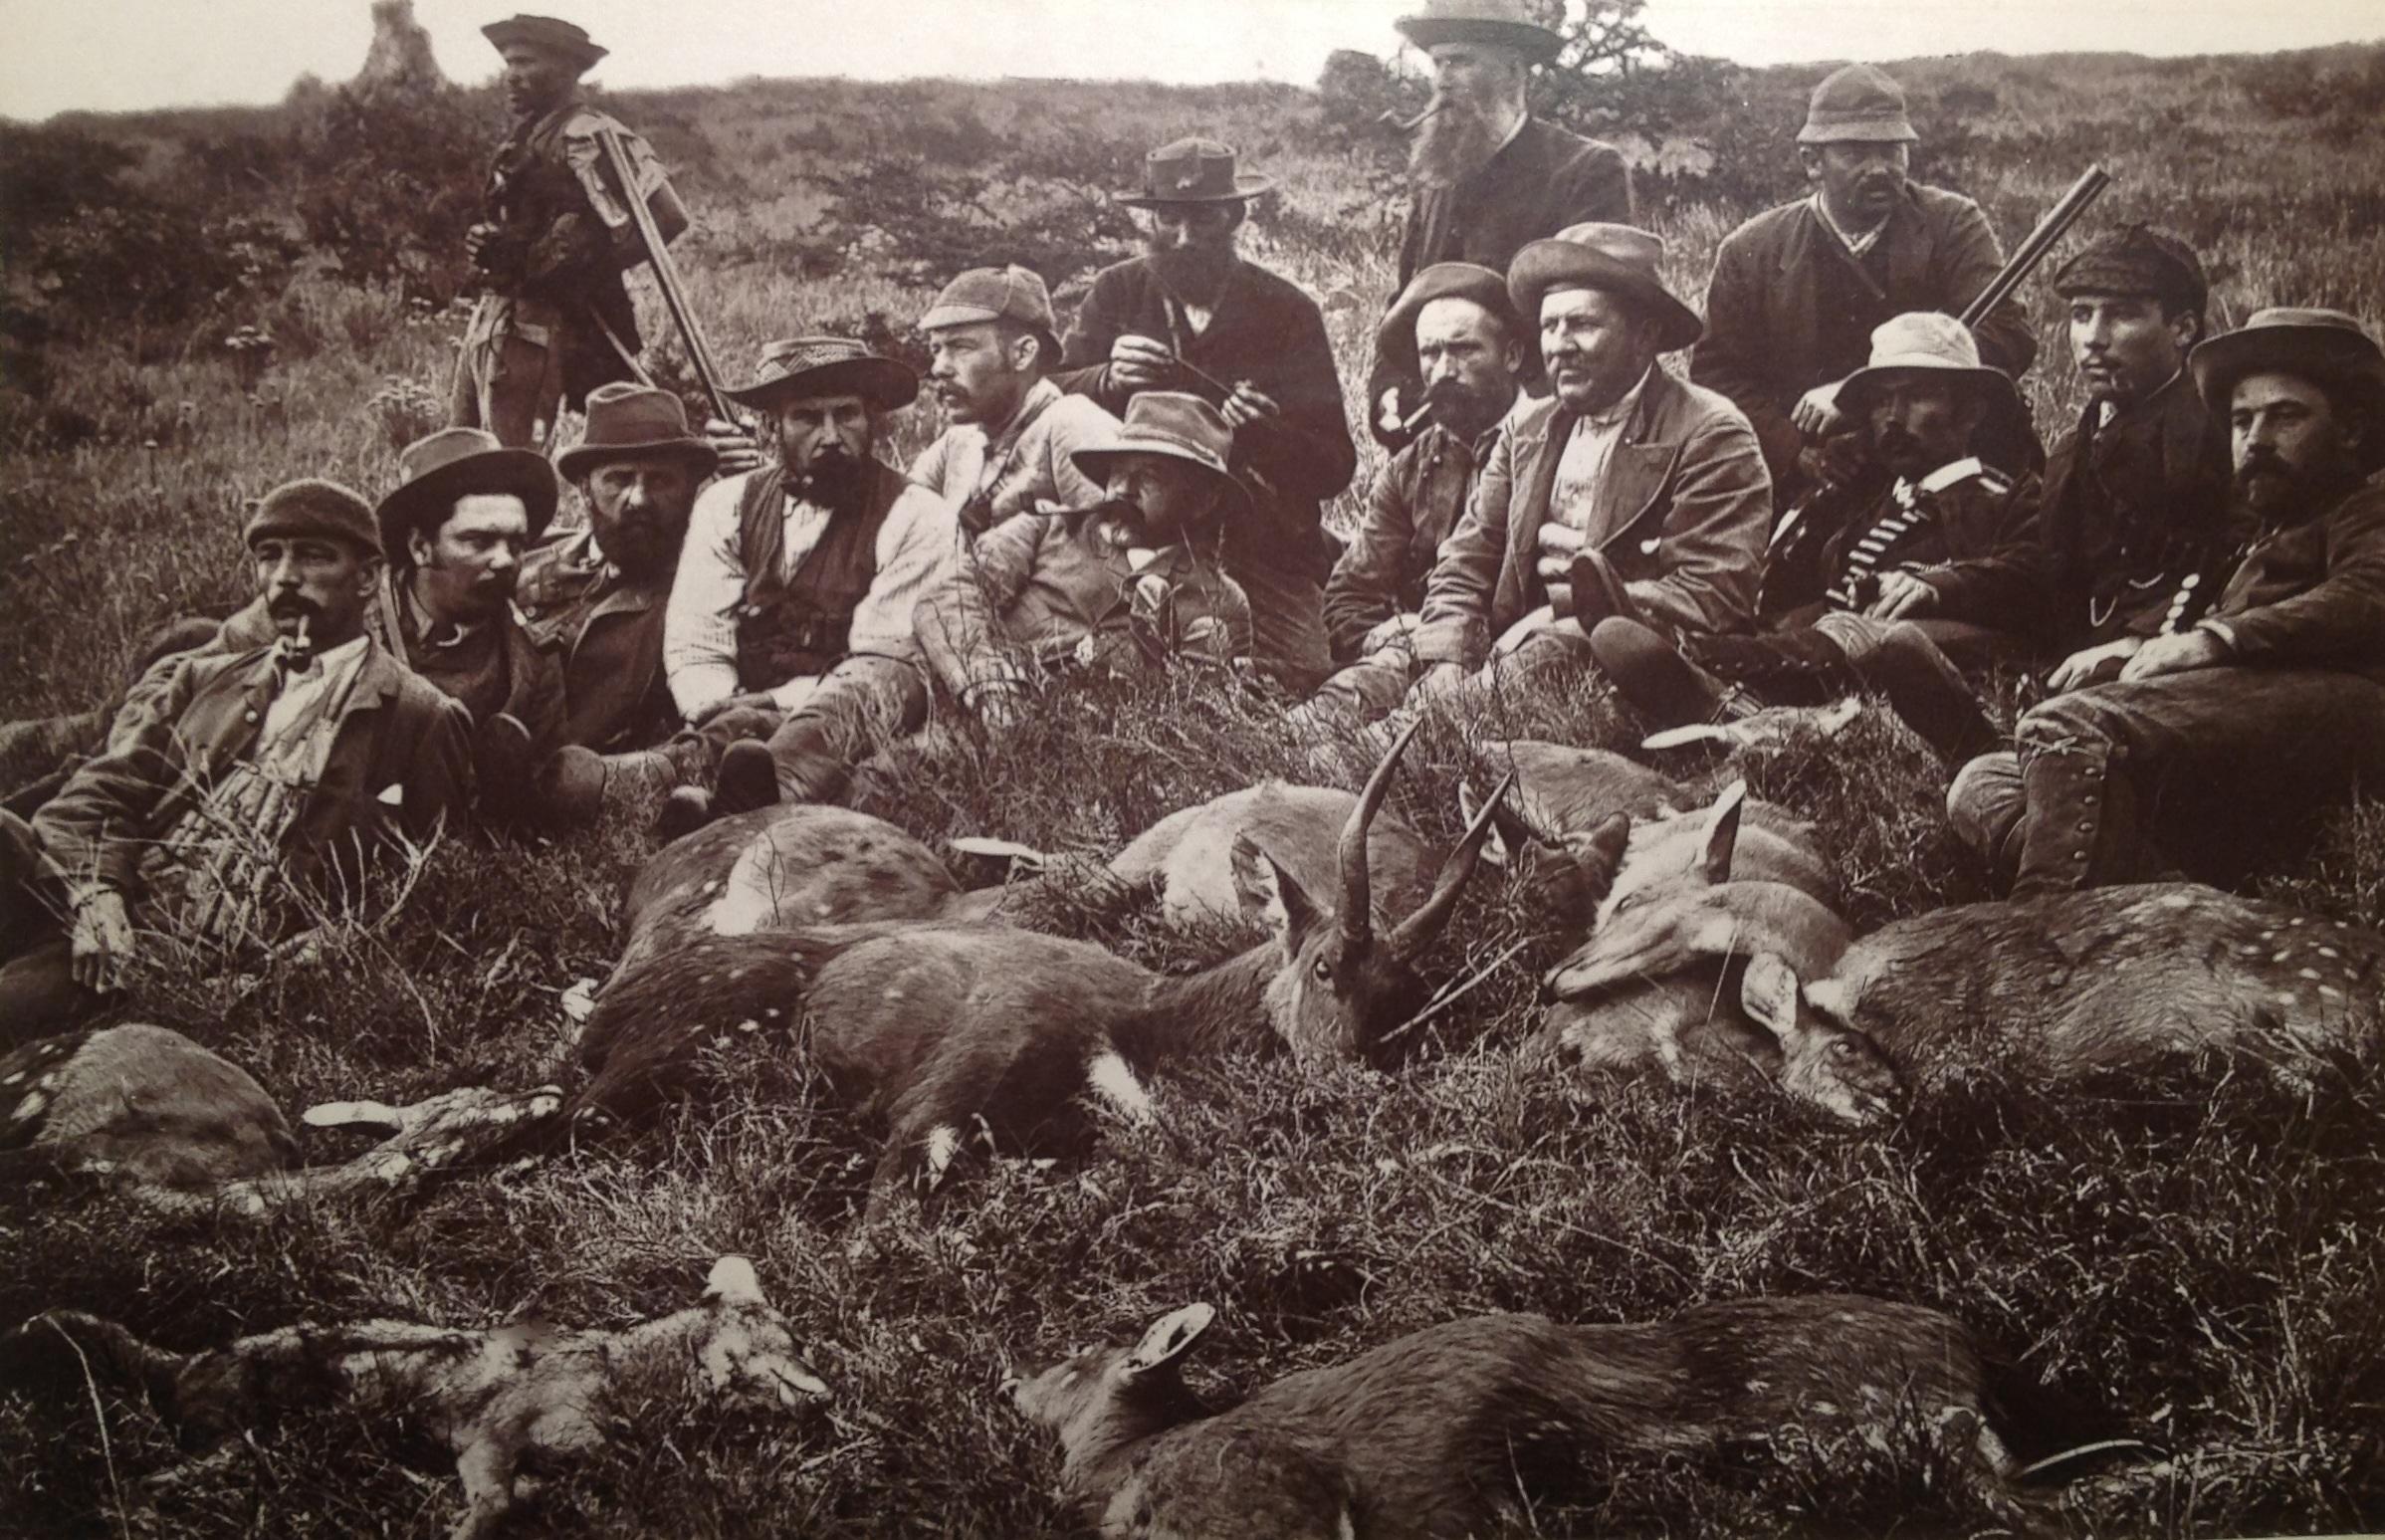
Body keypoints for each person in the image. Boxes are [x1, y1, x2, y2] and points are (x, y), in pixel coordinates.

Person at [0, 481, 470, 1037]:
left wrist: (317, 950)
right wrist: (97, 896)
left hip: (202, 962)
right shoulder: (203, 677)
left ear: (368, 578)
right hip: (101, 909)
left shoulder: (422, 716)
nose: (284, 577)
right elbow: (94, 796)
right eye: (269, 556)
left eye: (314, 557)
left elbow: (439, 881)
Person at [1946, 308, 2385, 894]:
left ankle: (2049, 927)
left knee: (2069, 726)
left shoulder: (2365, 507)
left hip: (2349, 708)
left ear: (2351, 431)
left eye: (2285, 418)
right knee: (1986, 779)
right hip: (2250, 733)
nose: (2256, 440)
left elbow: (2368, 594)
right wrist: (2144, 649)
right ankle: (2154, 896)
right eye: (2241, 421)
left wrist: (2213, 640)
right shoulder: (2261, 538)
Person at [1589, 312, 2045, 727]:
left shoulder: (2008, 496)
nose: (1892, 418)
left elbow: (2032, 573)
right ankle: (1708, 683)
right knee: (1806, 627)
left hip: (1943, 653)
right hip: (1832, 652)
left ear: (1970, 413)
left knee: (1864, 635)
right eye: (1881, 402)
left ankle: (1686, 657)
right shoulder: (1865, 501)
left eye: (1916, 396)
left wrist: (1936, 585)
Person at [1401, 224, 1771, 703]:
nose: (1559, 345)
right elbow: (1468, 558)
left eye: (1582, 325)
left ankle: (1392, 752)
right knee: (1385, 673)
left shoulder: (1711, 432)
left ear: (1644, 336)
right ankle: (1310, 756)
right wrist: (1447, 654)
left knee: (1499, 688)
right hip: (1511, 639)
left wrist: (1560, 611)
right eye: (1549, 327)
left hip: (1631, 661)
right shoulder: (1529, 429)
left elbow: (1709, 594)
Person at [1056, 137, 1357, 691]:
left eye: (1205, 218)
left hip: (1257, 544)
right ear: (1148, 222)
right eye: (1169, 220)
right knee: (1072, 666)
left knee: (1303, 678)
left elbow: (1335, 465)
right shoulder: (1117, 292)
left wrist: (1267, 433)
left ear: (1235, 216)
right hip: (1128, 535)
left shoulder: (1287, 311)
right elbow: (1051, 397)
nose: (1186, 236)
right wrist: (1106, 378)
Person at [1689, 64, 2037, 506]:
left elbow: (2007, 334)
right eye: (1856, 154)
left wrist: (1858, 391)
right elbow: (1718, 374)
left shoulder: (1953, 224)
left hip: (1948, 471)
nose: (1880, 169)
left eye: (1892, 152)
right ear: (1812, 163)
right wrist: (1797, 454)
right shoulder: (1750, 249)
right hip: (1808, 477)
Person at [657, 337, 959, 831]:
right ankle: (604, 782)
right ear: (772, 426)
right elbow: (696, 639)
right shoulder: (727, 504)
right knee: (697, 749)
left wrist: (762, 712)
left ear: (874, 420)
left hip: (843, 720)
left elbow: (879, 666)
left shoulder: (918, 515)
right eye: (807, 418)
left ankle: (742, 794)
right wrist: (714, 709)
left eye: (847, 415)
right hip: (732, 713)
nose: (831, 435)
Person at [1367, 0, 1632, 448]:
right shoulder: (1436, 177)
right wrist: (1388, 392)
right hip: (1435, 432)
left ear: (1513, 70)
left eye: (1461, 61)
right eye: (1438, 63)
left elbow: (1596, 321)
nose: (1443, 79)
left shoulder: (1584, 169)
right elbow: (1404, 300)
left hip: (1544, 435)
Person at [917, 393, 1253, 723]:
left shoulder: (1221, 602)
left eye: (1150, 476)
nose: (1122, 489)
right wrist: (988, 681)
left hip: (1086, 756)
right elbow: (950, 594)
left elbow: (1204, 716)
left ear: (1202, 501)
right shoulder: (1048, 526)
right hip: (969, 714)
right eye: (1117, 471)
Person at [1306, 263, 1527, 726]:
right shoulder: (1411, 466)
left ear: (1512, 355)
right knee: (1318, 721)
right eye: (1431, 353)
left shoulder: (1550, 445)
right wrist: (1385, 635)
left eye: (1464, 349)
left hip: (1515, 661)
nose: (1444, 370)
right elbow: (1349, 593)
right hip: (1411, 655)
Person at [450, 15, 673, 448]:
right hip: (496, 314)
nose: (511, 76)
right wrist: (490, 242)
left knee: (511, 459)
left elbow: (667, 216)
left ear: (568, 66)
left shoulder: (590, 133)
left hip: (540, 323)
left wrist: (580, 270)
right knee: (463, 450)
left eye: (525, 62)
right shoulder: (528, 135)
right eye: (508, 63)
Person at [522, 384, 719, 821]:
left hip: (582, 785)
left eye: (661, 480)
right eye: (619, 479)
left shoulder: (706, 594)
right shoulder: (528, 560)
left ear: (691, 490)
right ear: (585, 489)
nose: (639, 499)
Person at [908, 265, 1119, 540]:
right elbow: (893, 518)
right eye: (936, 349)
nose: (939, 368)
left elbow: (1117, 559)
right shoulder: (961, 441)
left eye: (961, 347)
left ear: (1023, 354)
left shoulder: (1073, 426)